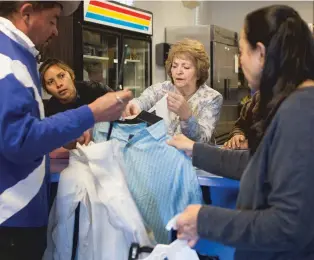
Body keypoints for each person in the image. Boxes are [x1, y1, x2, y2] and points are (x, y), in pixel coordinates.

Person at [168, 5, 314, 259]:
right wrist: (195, 149)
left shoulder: (299, 113)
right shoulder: (293, 104)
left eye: (242, 51)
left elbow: (289, 225)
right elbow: (258, 164)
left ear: (261, 53)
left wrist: (205, 219)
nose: (240, 60)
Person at [0, 2, 132, 259]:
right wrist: (91, 114)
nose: (56, 31)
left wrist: (64, 135)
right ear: (26, 13)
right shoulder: (6, 60)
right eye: (52, 20)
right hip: (10, 218)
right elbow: (19, 139)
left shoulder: (18, 54)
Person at [124, 38, 223, 143]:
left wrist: (187, 117)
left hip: (194, 158)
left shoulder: (211, 98)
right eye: (174, 66)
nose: (178, 71)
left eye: (186, 67)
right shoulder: (162, 89)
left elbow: (202, 140)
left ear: (198, 72)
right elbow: (143, 100)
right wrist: (133, 105)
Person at [39, 58, 113, 117]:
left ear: (71, 75)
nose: (58, 84)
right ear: (47, 90)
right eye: (50, 82)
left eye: (61, 76)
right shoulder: (51, 112)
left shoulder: (96, 89)